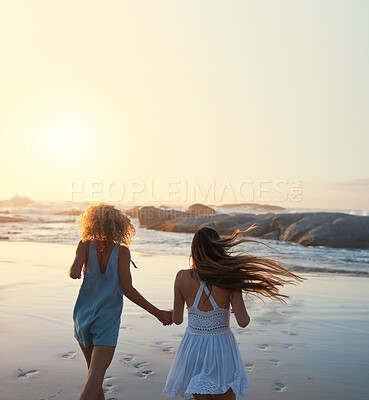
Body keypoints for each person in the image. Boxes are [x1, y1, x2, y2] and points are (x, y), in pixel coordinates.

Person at [163, 226, 302, 399]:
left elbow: (177, 320)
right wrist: (235, 310)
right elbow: (243, 322)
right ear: (218, 248)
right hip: (221, 348)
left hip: (193, 347)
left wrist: (171, 312)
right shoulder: (229, 278)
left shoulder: (182, 277)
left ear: (194, 250)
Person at [69, 203, 172, 400]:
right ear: (118, 226)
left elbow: (73, 272)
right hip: (106, 321)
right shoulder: (122, 252)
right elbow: (127, 289)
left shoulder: (84, 245)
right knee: (95, 379)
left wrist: (79, 269)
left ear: (92, 224)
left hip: (82, 317)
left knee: (94, 376)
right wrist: (158, 313)